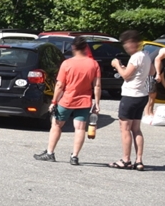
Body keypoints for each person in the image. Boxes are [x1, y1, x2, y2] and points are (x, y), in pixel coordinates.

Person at [35, 37, 101, 165]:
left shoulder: (67, 63)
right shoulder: (93, 64)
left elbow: (60, 85)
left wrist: (54, 101)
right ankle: (74, 156)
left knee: (56, 125)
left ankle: (50, 153)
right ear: (85, 48)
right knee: (80, 128)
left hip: (67, 100)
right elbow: (97, 86)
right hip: (85, 101)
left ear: (73, 47)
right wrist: (97, 103)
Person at [109, 29, 150, 170]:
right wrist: (126, 69)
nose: (126, 46)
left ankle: (126, 159)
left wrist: (117, 65)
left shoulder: (136, 57)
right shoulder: (146, 56)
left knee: (125, 128)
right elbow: (151, 72)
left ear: (134, 42)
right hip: (142, 95)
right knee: (136, 129)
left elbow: (126, 76)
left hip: (131, 95)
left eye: (127, 43)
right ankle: (139, 160)